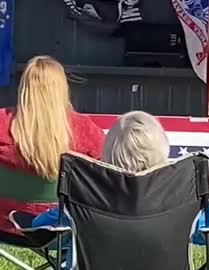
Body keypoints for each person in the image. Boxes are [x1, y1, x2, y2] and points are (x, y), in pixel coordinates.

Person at [33, 110, 171, 269]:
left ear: (107, 150)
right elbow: (204, 232)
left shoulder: (84, 195)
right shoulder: (179, 194)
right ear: (163, 150)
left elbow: (40, 227)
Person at [0, 56, 105, 235]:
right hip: (63, 228)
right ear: (62, 89)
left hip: (5, 227)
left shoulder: (2, 123)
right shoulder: (85, 130)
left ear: (23, 88)